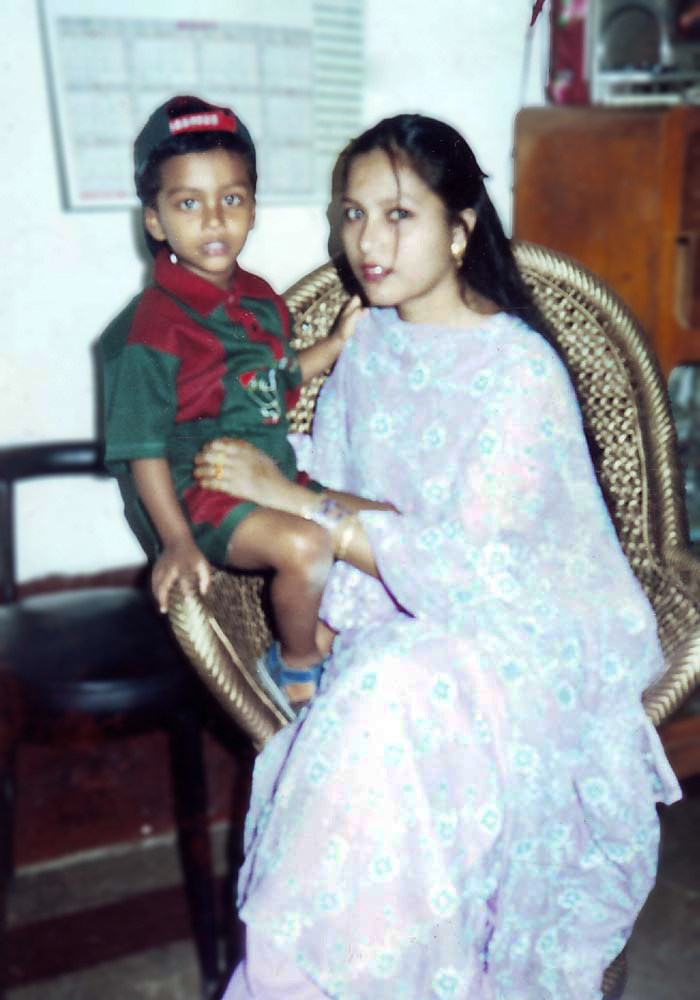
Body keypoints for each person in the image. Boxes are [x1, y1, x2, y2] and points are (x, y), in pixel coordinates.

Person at [194, 113, 681, 999]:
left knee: (385, 700)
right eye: (352, 215)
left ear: (459, 231)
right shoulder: (370, 343)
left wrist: (295, 497)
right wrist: (320, 565)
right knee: (378, 712)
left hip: (522, 634)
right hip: (404, 628)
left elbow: (468, 567)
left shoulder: (519, 370)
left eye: (398, 215)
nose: (366, 243)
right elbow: (338, 484)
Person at [100, 95, 363, 714]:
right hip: (203, 492)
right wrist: (175, 541)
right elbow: (141, 448)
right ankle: (295, 664)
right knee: (307, 546)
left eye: (232, 199)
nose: (214, 220)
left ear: (252, 208)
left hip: (272, 472)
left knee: (372, 521)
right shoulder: (151, 328)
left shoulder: (259, 297)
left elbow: (273, 381)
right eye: (188, 203)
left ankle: (326, 629)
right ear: (155, 221)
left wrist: (333, 346)